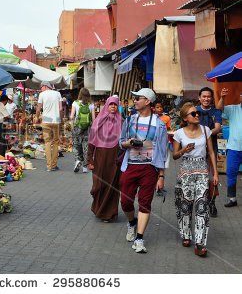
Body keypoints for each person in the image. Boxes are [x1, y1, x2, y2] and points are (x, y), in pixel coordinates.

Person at [119, 88, 167, 253]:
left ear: (147, 101)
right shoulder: (130, 120)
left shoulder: (159, 124)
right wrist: (128, 143)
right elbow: (120, 142)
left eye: (138, 98)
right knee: (125, 202)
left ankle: (139, 238)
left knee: (145, 203)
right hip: (131, 165)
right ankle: (132, 222)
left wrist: (161, 175)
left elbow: (162, 151)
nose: (135, 101)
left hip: (149, 167)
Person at [172, 102, 218, 257]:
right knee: (184, 205)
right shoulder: (179, 133)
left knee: (201, 206)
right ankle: (186, 234)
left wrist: (215, 174)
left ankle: (199, 243)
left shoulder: (206, 131)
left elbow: (211, 152)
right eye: (193, 113)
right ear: (185, 118)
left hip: (203, 172)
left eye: (197, 113)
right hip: (185, 171)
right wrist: (184, 150)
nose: (197, 115)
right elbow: (175, 155)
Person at [87, 96, 122, 222]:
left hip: (115, 158)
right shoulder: (98, 120)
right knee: (98, 186)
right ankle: (98, 209)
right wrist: (89, 160)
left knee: (113, 185)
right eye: (111, 104)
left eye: (115, 105)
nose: (113, 106)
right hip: (101, 157)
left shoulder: (121, 121)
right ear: (107, 105)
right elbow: (91, 141)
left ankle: (109, 213)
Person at [196, 86, 222, 216]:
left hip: (213, 149)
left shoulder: (216, 112)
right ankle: (202, 201)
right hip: (197, 150)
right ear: (199, 98)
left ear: (211, 98)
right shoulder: (194, 111)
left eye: (208, 96)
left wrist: (203, 135)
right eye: (204, 96)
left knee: (213, 177)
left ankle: (212, 201)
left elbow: (217, 128)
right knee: (200, 176)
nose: (206, 98)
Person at [216, 89, 242, 207]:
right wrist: (222, 97)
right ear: (240, 97)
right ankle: (232, 199)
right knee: (231, 172)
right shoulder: (233, 108)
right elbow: (219, 108)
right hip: (234, 148)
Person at [35, 81, 62, 171]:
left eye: (41, 87)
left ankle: (49, 166)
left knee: (47, 142)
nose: (40, 89)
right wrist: (60, 119)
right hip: (55, 121)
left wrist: (37, 117)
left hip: (46, 121)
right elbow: (61, 109)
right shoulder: (58, 94)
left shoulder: (42, 95)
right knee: (55, 142)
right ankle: (54, 165)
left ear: (45, 86)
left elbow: (38, 109)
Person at [70, 87, 94, 173]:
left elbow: (72, 117)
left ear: (80, 94)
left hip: (77, 127)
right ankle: (84, 167)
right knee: (86, 147)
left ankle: (77, 160)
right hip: (87, 128)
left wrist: (72, 127)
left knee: (76, 145)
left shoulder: (75, 103)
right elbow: (94, 119)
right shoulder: (91, 104)